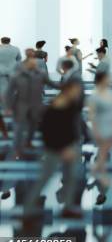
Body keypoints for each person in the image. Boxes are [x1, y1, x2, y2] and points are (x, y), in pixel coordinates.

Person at [25, 80, 82, 218]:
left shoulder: (71, 106)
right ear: (67, 90)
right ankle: (28, 211)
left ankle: (68, 207)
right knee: (44, 178)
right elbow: (47, 132)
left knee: (71, 177)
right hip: (54, 149)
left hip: (69, 148)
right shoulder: (53, 109)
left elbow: (71, 128)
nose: (77, 94)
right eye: (75, 91)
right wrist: (62, 148)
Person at [5, 51, 59, 155]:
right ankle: (17, 148)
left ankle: (28, 142)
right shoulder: (16, 76)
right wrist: (8, 107)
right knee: (19, 128)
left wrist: (65, 85)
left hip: (35, 105)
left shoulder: (41, 74)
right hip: (21, 105)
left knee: (33, 126)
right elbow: (9, 92)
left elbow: (52, 84)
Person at [87, 72, 112, 189]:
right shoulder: (95, 95)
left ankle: (95, 170)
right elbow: (91, 114)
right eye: (107, 78)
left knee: (105, 151)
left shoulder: (109, 93)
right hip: (101, 126)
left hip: (110, 125)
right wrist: (95, 130)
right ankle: (101, 173)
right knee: (103, 152)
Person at [0, 37, 21, 138]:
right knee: (13, 89)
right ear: (9, 41)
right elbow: (19, 59)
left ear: (1, 41)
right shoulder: (16, 49)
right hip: (13, 70)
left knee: (3, 89)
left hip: (1, 71)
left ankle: (5, 108)